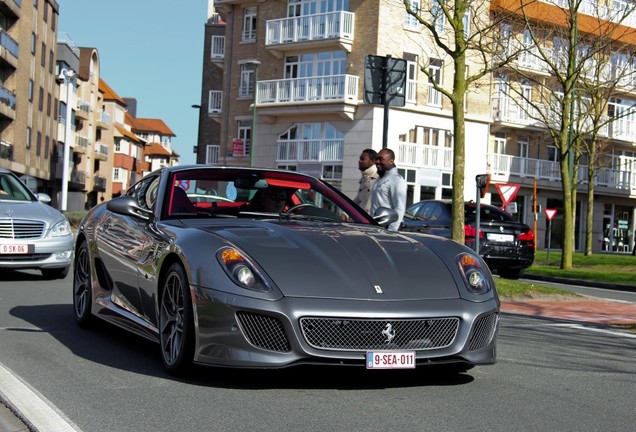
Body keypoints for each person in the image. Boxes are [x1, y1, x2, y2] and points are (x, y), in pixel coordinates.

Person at [371, 148, 407, 231]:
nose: (377, 162)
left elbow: (399, 208)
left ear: (391, 161)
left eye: (381, 159)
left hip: (387, 229)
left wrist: (391, 231)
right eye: (377, 159)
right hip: (376, 228)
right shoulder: (380, 178)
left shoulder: (397, 180)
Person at [353, 149, 378, 213]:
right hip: (360, 218)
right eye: (360, 159)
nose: (359, 161)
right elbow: (358, 199)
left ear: (372, 161)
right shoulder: (364, 177)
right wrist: (346, 213)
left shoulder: (378, 179)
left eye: (362, 159)